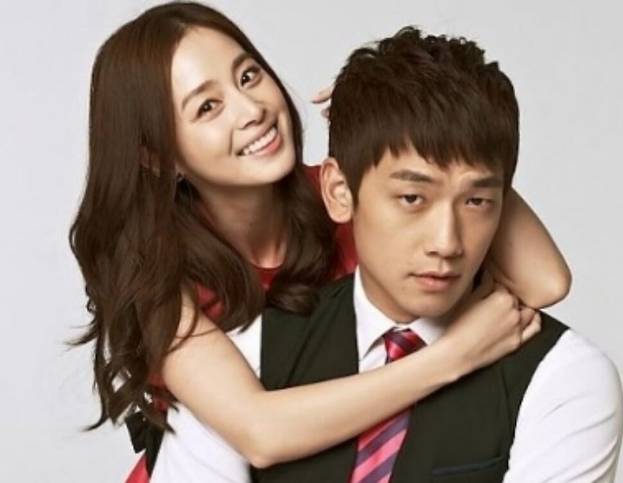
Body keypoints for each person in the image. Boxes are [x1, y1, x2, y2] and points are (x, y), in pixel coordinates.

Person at [69, 2, 571, 482]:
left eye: (248, 76)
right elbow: (259, 432)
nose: (251, 110)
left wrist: (418, 135)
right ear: (159, 157)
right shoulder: (154, 273)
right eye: (208, 107)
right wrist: (451, 357)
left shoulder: (343, 197)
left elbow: (545, 282)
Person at [246, 28, 623, 482]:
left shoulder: (563, 375)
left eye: (476, 201)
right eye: (412, 198)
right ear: (339, 191)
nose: (446, 242)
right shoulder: (254, 351)